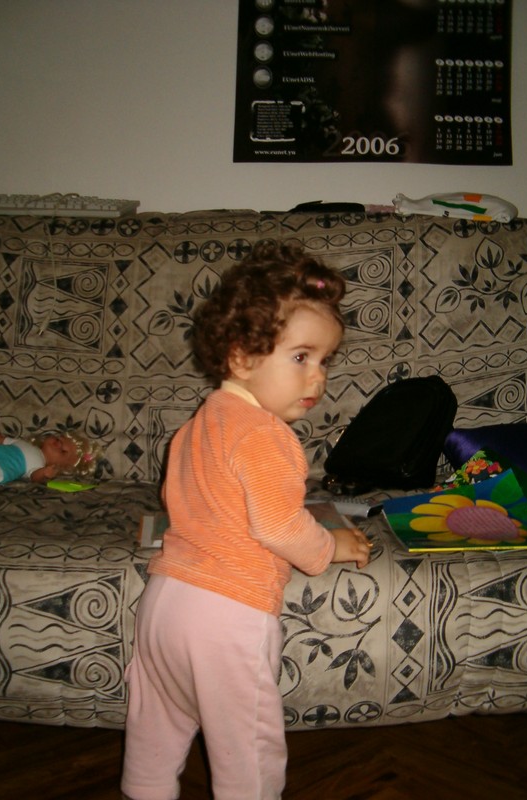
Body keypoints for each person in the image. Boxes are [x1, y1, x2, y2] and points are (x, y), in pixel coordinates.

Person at [121, 242, 372, 800]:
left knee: (156, 726)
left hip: (164, 603)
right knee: (247, 747)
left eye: (325, 360)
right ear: (240, 358)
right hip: (227, 614)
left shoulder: (198, 425)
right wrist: (332, 545)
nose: (318, 379)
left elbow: (183, 498)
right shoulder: (267, 435)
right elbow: (279, 528)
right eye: (301, 357)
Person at [0, 412, 100, 484]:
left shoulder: (40, 464)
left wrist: (44, 473)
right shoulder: (25, 444)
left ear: (62, 467)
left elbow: (34, 477)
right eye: (58, 440)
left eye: (63, 451)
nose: (58, 444)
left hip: (3, 469)